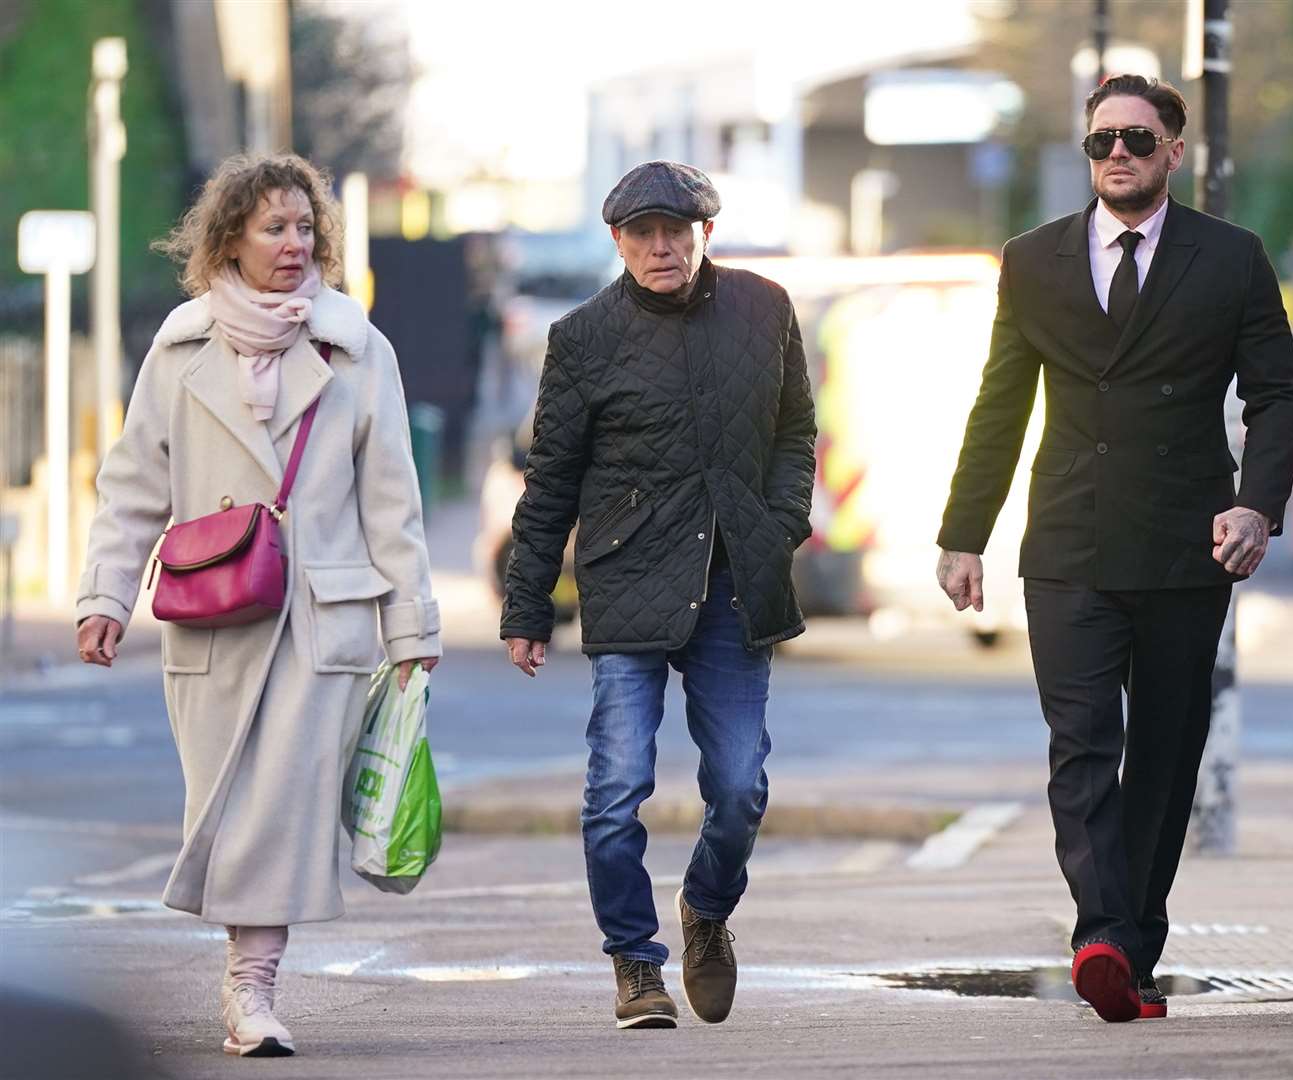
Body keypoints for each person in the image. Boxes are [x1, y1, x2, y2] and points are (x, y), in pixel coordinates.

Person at [936, 76, 1293, 1023]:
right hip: (1065, 542)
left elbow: (1276, 396)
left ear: (1172, 152)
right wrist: (962, 535)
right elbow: (999, 404)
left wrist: (1255, 506)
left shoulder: (1230, 259)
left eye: (1136, 139)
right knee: (1080, 742)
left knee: (1168, 753)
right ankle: (1101, 934)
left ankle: (1131, 955)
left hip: (1189, 548)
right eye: (1100, 141)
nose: (1117, 156)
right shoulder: (1033, 260)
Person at [75, 153, 441, 1057]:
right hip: (214, 615)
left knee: (279, 806)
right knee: (228, 801)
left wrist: (411, 626)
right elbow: (133, 486)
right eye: (273, 228)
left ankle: (252, 988)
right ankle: (247, 981)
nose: (292, 244)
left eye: (304, 228)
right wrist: (105, 595)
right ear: (229, 239)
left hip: (324, 614)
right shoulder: (182, 345)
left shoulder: (356, 349)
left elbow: (391, 499)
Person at [501, 160, 815, 1030]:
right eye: (642, 233)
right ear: (617, 241)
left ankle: (706, 911)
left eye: (675, 230)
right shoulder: (582, 337)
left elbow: (795, 430)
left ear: (703, 232)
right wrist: (528, 606)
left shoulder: (765, 308)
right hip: (628, 583)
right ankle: (635, 964)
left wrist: (778, 521)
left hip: (733, 588)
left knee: (740, 787)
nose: (661, 247)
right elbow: (550, 479)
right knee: (615, 790)